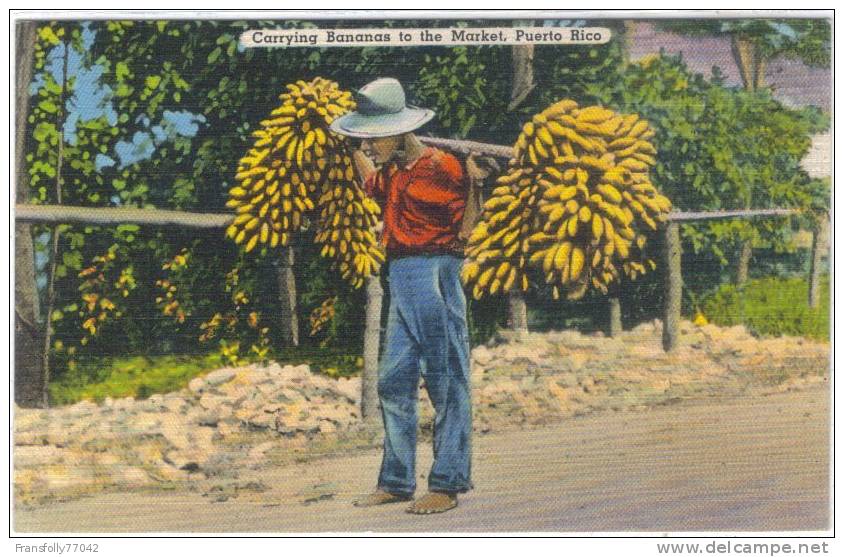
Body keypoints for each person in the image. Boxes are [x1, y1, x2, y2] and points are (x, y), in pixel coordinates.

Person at [330, 78, 480, 514]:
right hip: (400, 274)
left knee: (447, 380)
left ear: (400, 132)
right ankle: (396, 480)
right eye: (367, 139)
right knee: (393, 381)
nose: (371, 145)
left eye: (375, 138)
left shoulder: (445, 167)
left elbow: (469, 217)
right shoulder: (395, 173)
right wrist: (352, 150)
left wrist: (477, 185)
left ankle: (447, 483)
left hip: (435, 271)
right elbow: (373, 184)